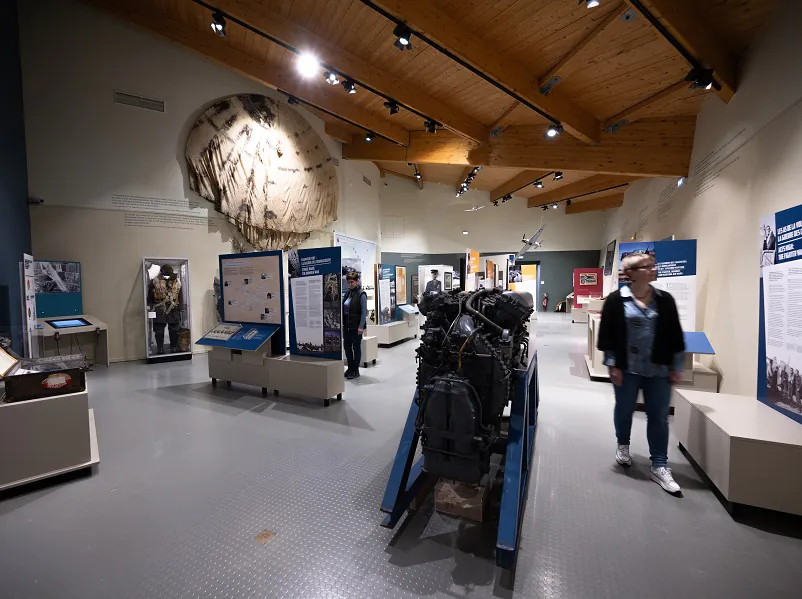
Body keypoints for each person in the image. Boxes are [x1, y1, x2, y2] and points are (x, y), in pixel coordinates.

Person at [598, 252, 685, 495]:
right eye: (645, 266)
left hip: (658, 367)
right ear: (632, 274)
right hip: (627, 367)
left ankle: (659, 464)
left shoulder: (664, 300)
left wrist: (677, 366)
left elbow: (675, 335)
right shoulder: (617, 300)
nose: (652, 269)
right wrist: (612, 364)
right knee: (624, 409)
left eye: (652, 265)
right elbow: (608, 335)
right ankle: (623, 445)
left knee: (658, 416)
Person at [342, 272, 367, 380]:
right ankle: (350, 367)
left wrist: (361, 327)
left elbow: (364, 312)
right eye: (348, 282)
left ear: (357, 281)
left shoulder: (361, 294)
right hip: (347, 326)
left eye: (352, 282)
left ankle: (355, 369)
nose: (350, 284)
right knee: (347, 347)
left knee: (356, 348)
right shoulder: (348, 293)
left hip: (356, 327)